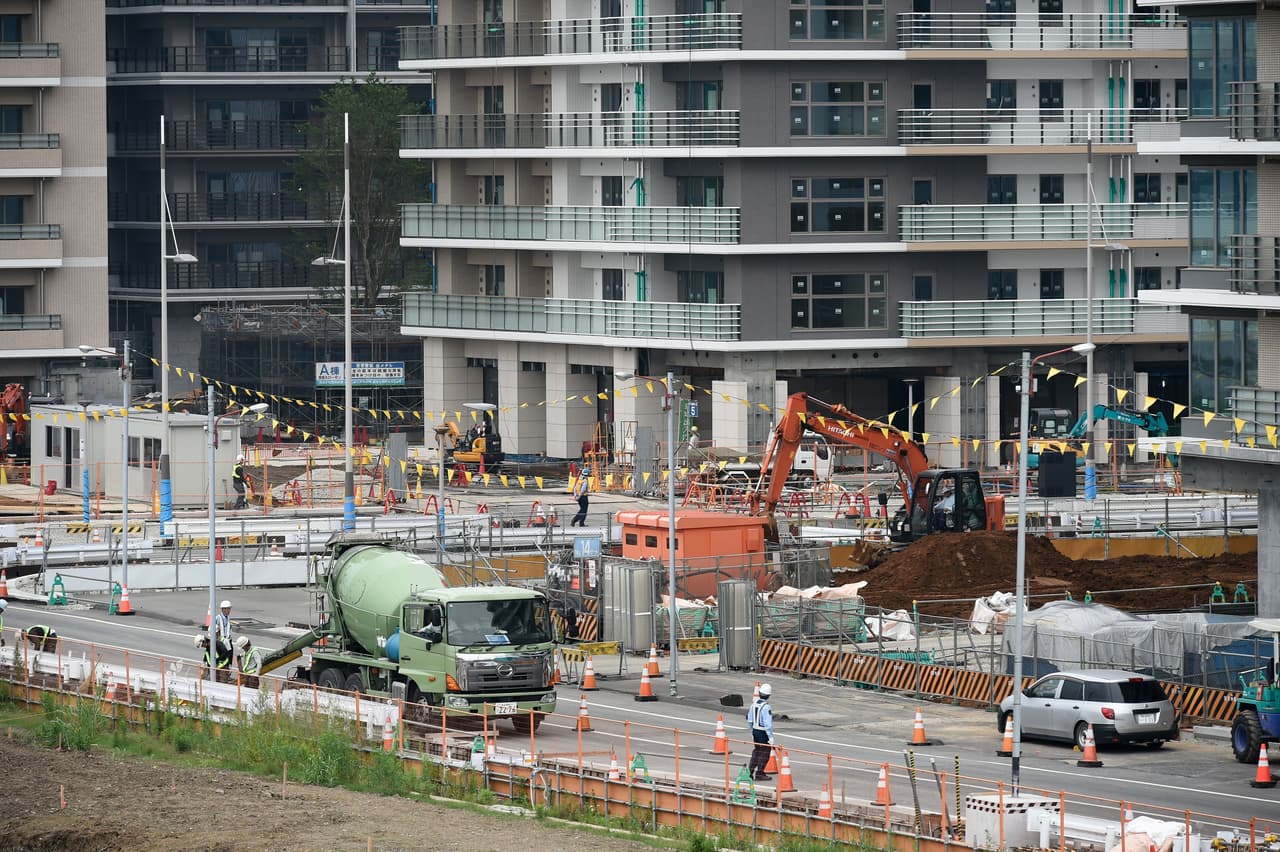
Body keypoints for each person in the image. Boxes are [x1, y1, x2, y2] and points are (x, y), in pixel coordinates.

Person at [746, 682, 775, 781]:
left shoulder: (753, 704)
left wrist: (752, 730)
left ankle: (750, 772)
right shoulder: (766, 707)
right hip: (763, 732)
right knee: (765, 752)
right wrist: (770, 737)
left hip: (755, 730)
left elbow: (749, 720)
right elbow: (768, 724)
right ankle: (760, 772)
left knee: (756, 751)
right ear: (768, 695)